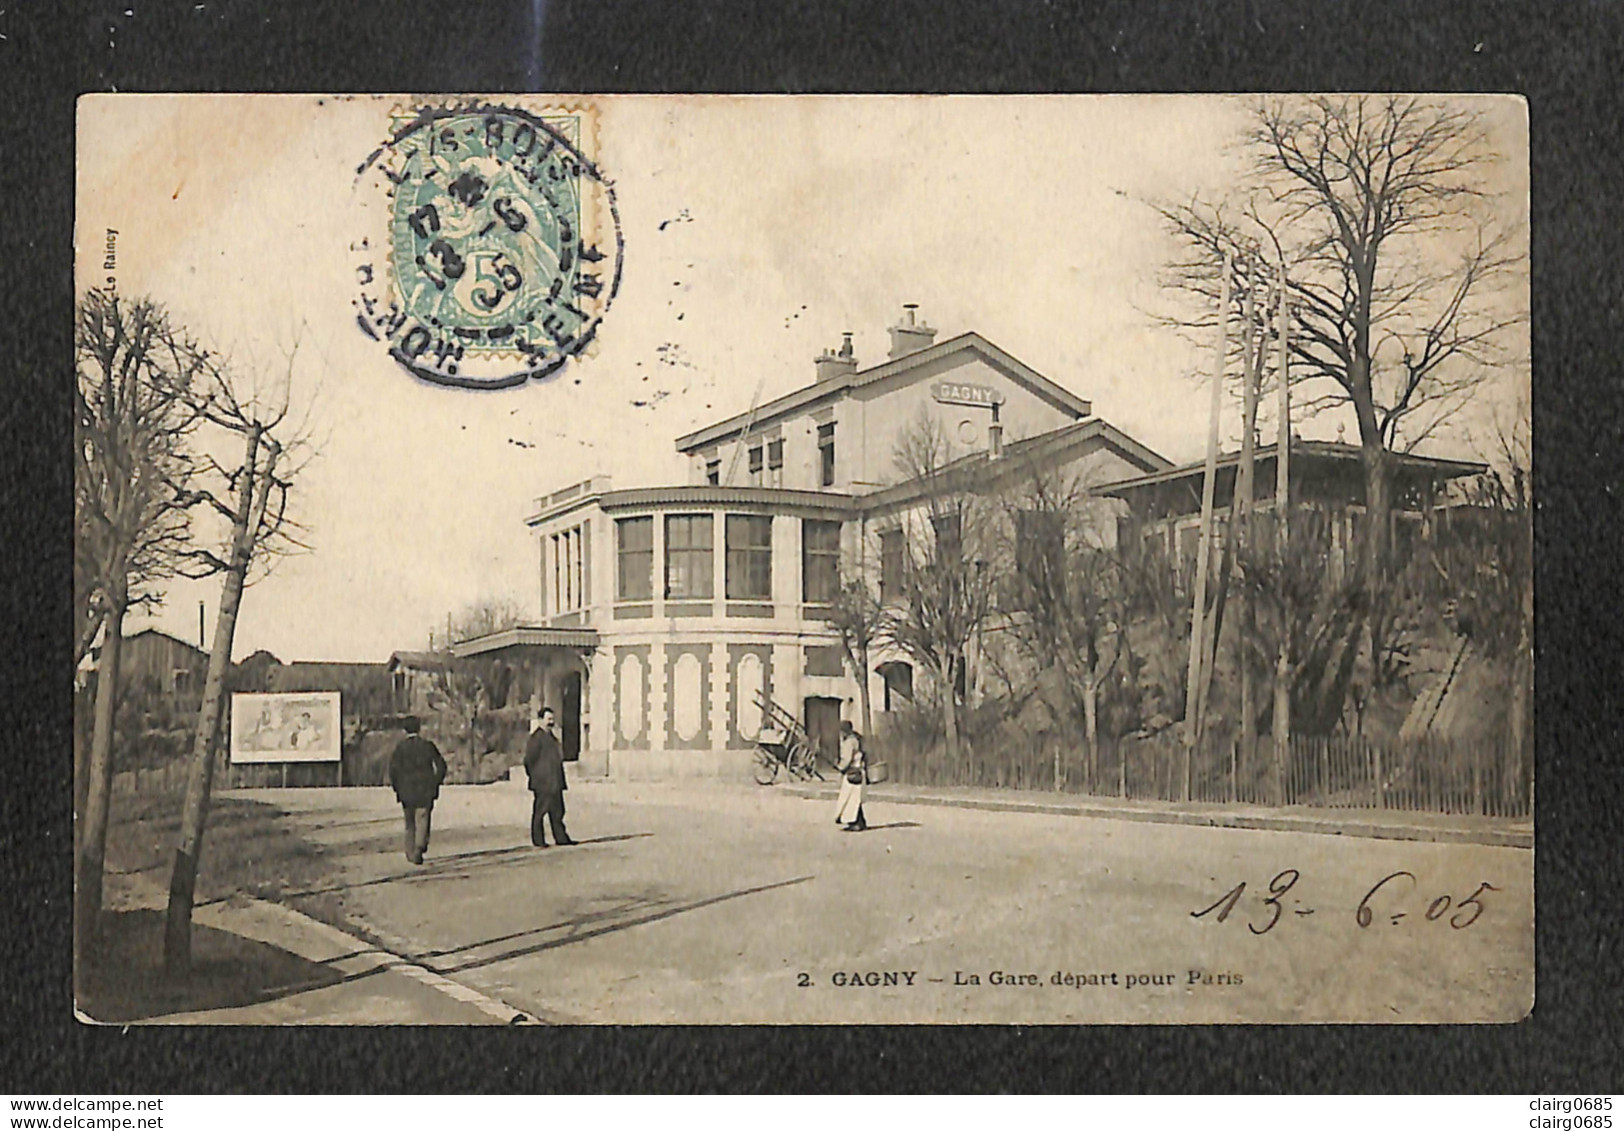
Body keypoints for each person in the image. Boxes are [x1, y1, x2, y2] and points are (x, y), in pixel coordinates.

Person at [387, 716, 447, 865]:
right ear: (419, 728)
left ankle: (410, 850)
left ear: (404, 730)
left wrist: (397, 788)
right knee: (423, 818)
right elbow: (441, 765)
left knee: (409, 822)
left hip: (406, 790)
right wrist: (435, 782)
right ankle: (420, 846)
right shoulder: (427, 745)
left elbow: (393, 770)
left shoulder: (400, 748)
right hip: (425, 789)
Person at [523, 705, 574, 847]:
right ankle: (538, 841)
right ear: (540, 720)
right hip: (543, 783)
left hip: (555, 782)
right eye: (548, 719)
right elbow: (528, 761)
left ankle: (561, 838)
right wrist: (536, 777)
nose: (551, 722)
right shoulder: (535, 738)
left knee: (558, 812)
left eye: (552, 719)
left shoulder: (552, 737)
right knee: (540, 812)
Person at [834, 719, 867, 832]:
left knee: (849, 798)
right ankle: (860, 821)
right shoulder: (856, 740)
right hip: (859, 771)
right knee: (855, 798)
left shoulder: (849, 742)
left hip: (852, 772)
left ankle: (856, 823)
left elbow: (847, 759)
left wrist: (840, 767)